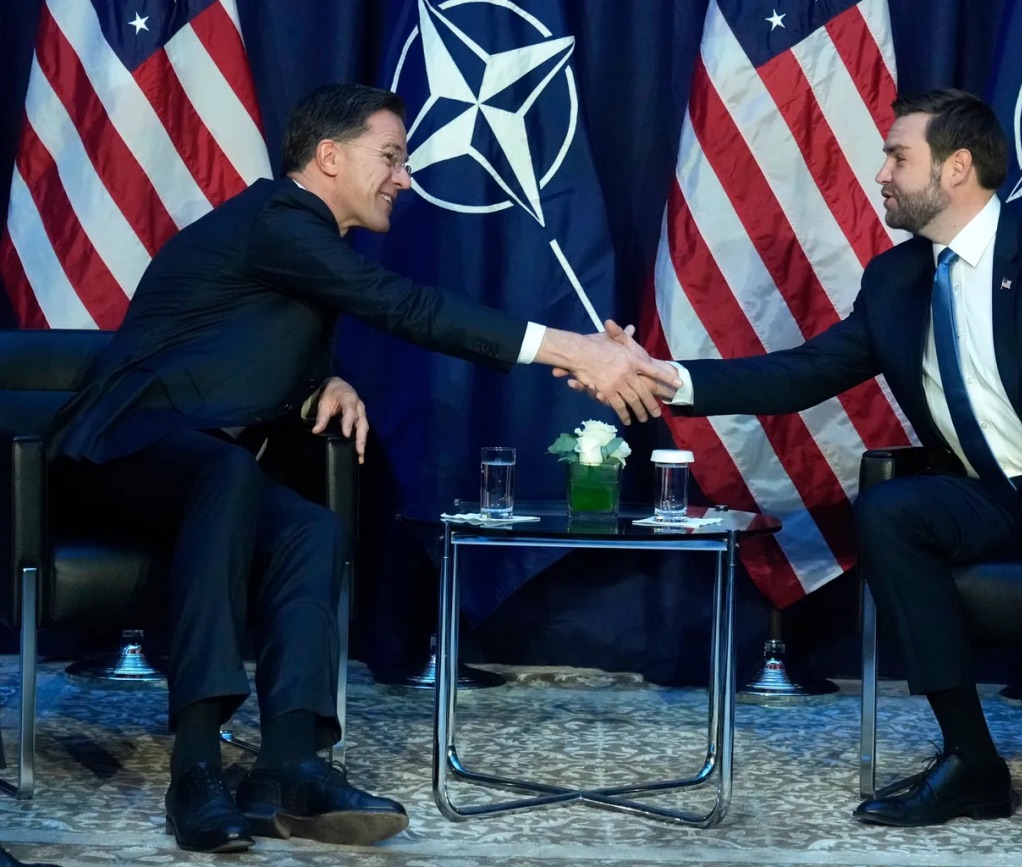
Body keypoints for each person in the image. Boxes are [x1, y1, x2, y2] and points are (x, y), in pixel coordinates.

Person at [49, 83, 681, 854]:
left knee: (310, 530)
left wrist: (321, 379)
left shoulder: (300, 242)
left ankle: (285, 764)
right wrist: (573, 348)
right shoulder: (281, 219)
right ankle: (197, 767)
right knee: (229, 474)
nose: (404, 178)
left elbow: (236, 336)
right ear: (328, 156)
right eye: (391, 156)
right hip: (116, 455)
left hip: (203, 472)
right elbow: (405, 307)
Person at [581, 89, 1022, 843]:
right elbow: (800, 373)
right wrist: (663, 374)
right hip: (985, 491)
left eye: (897, 156)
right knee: (889, 508)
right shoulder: (895, 281)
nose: (880, 172)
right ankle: (970, 757)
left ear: (955, 169)